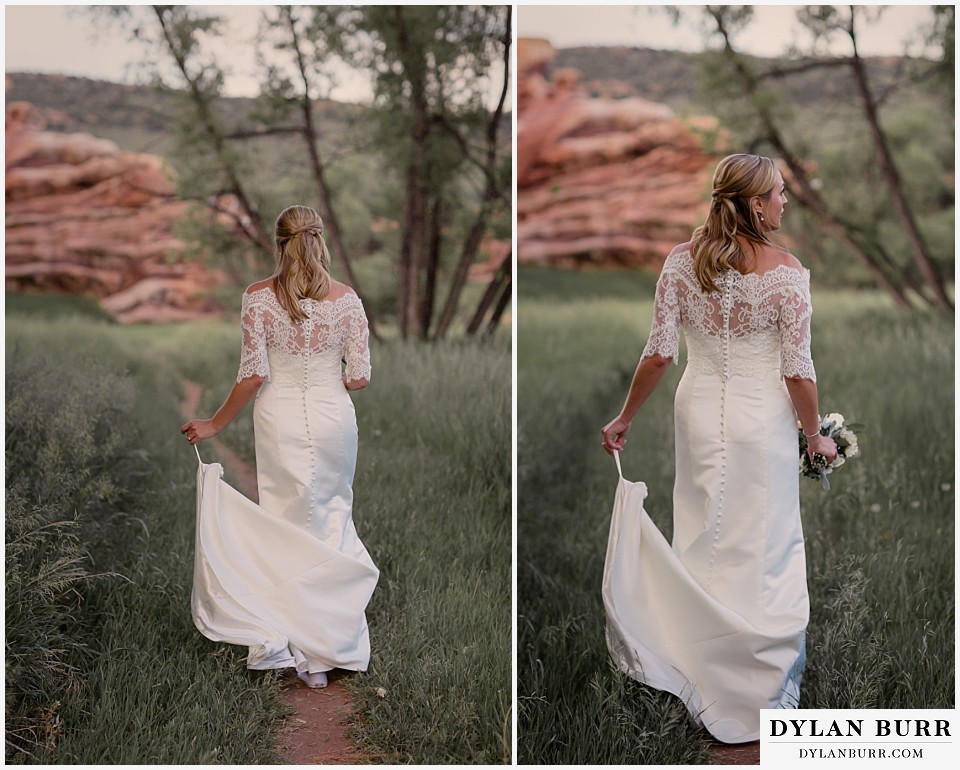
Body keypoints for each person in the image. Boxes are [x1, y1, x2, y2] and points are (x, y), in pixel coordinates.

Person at [600, 154, 837, 743]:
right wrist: (816, 436)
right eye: (780, 193)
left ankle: (701, 670)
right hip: (762, 421)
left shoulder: (682, 263)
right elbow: (798, 372)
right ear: (756, 203)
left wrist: (626, 416)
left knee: (705, 532)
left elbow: (659, 353)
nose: (786, 201)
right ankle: (757, 686)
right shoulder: (786, 271)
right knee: (766, 541)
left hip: (699, 413)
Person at [181, 204, 379, 690]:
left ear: (279, 243)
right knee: (331, 513)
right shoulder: (348, 300)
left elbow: (253, 375)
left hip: (280, 418)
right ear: (321, 241)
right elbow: (359, 377)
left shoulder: (258, 298)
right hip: (334, 418)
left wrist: (214, 424)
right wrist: (328, 375)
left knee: (287, 518)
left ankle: (293, 642)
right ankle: (324, 650)